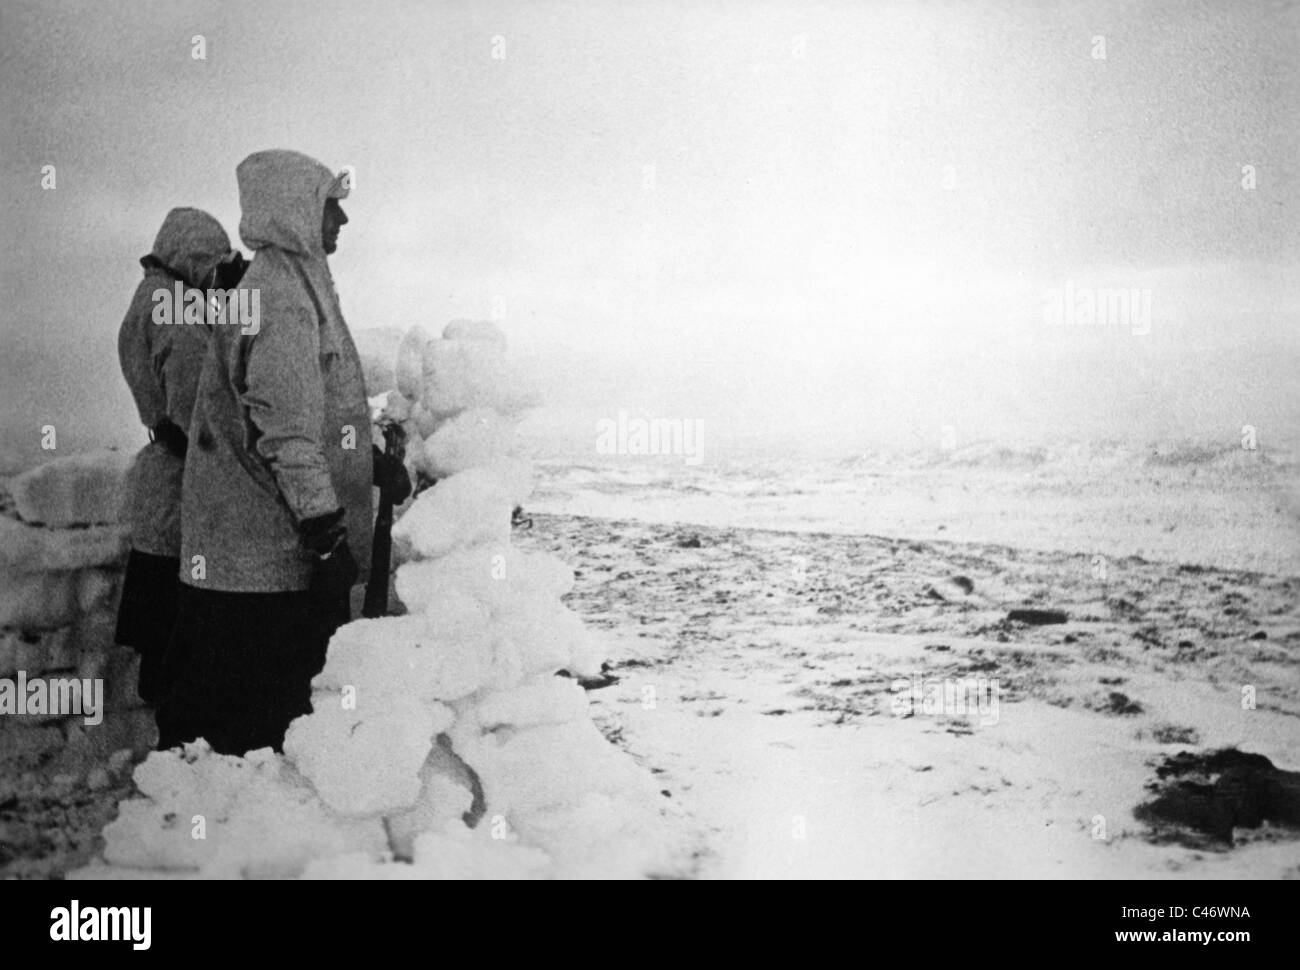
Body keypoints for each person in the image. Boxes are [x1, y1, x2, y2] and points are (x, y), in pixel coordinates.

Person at [156, 149, 408, 755]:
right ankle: (245, 840)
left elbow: (299, 411)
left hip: (251, 549)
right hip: (263, 560)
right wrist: (326, 534)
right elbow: (286, 433)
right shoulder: (282, 298)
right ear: (298, 210)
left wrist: (368, 464)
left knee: (243, 725)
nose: (342, 222)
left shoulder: (287, 282)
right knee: (261, 731)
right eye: (332, 207)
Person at [115, 207, 244, 706]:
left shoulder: (147, 298)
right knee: (179, 633)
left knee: (160, 631)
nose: (217, 283)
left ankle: (166, 739)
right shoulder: (175, 310)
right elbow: (199, 416)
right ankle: (178, 749)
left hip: (162, 476)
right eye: (213, 267)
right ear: (191, 256)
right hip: (181, 483)